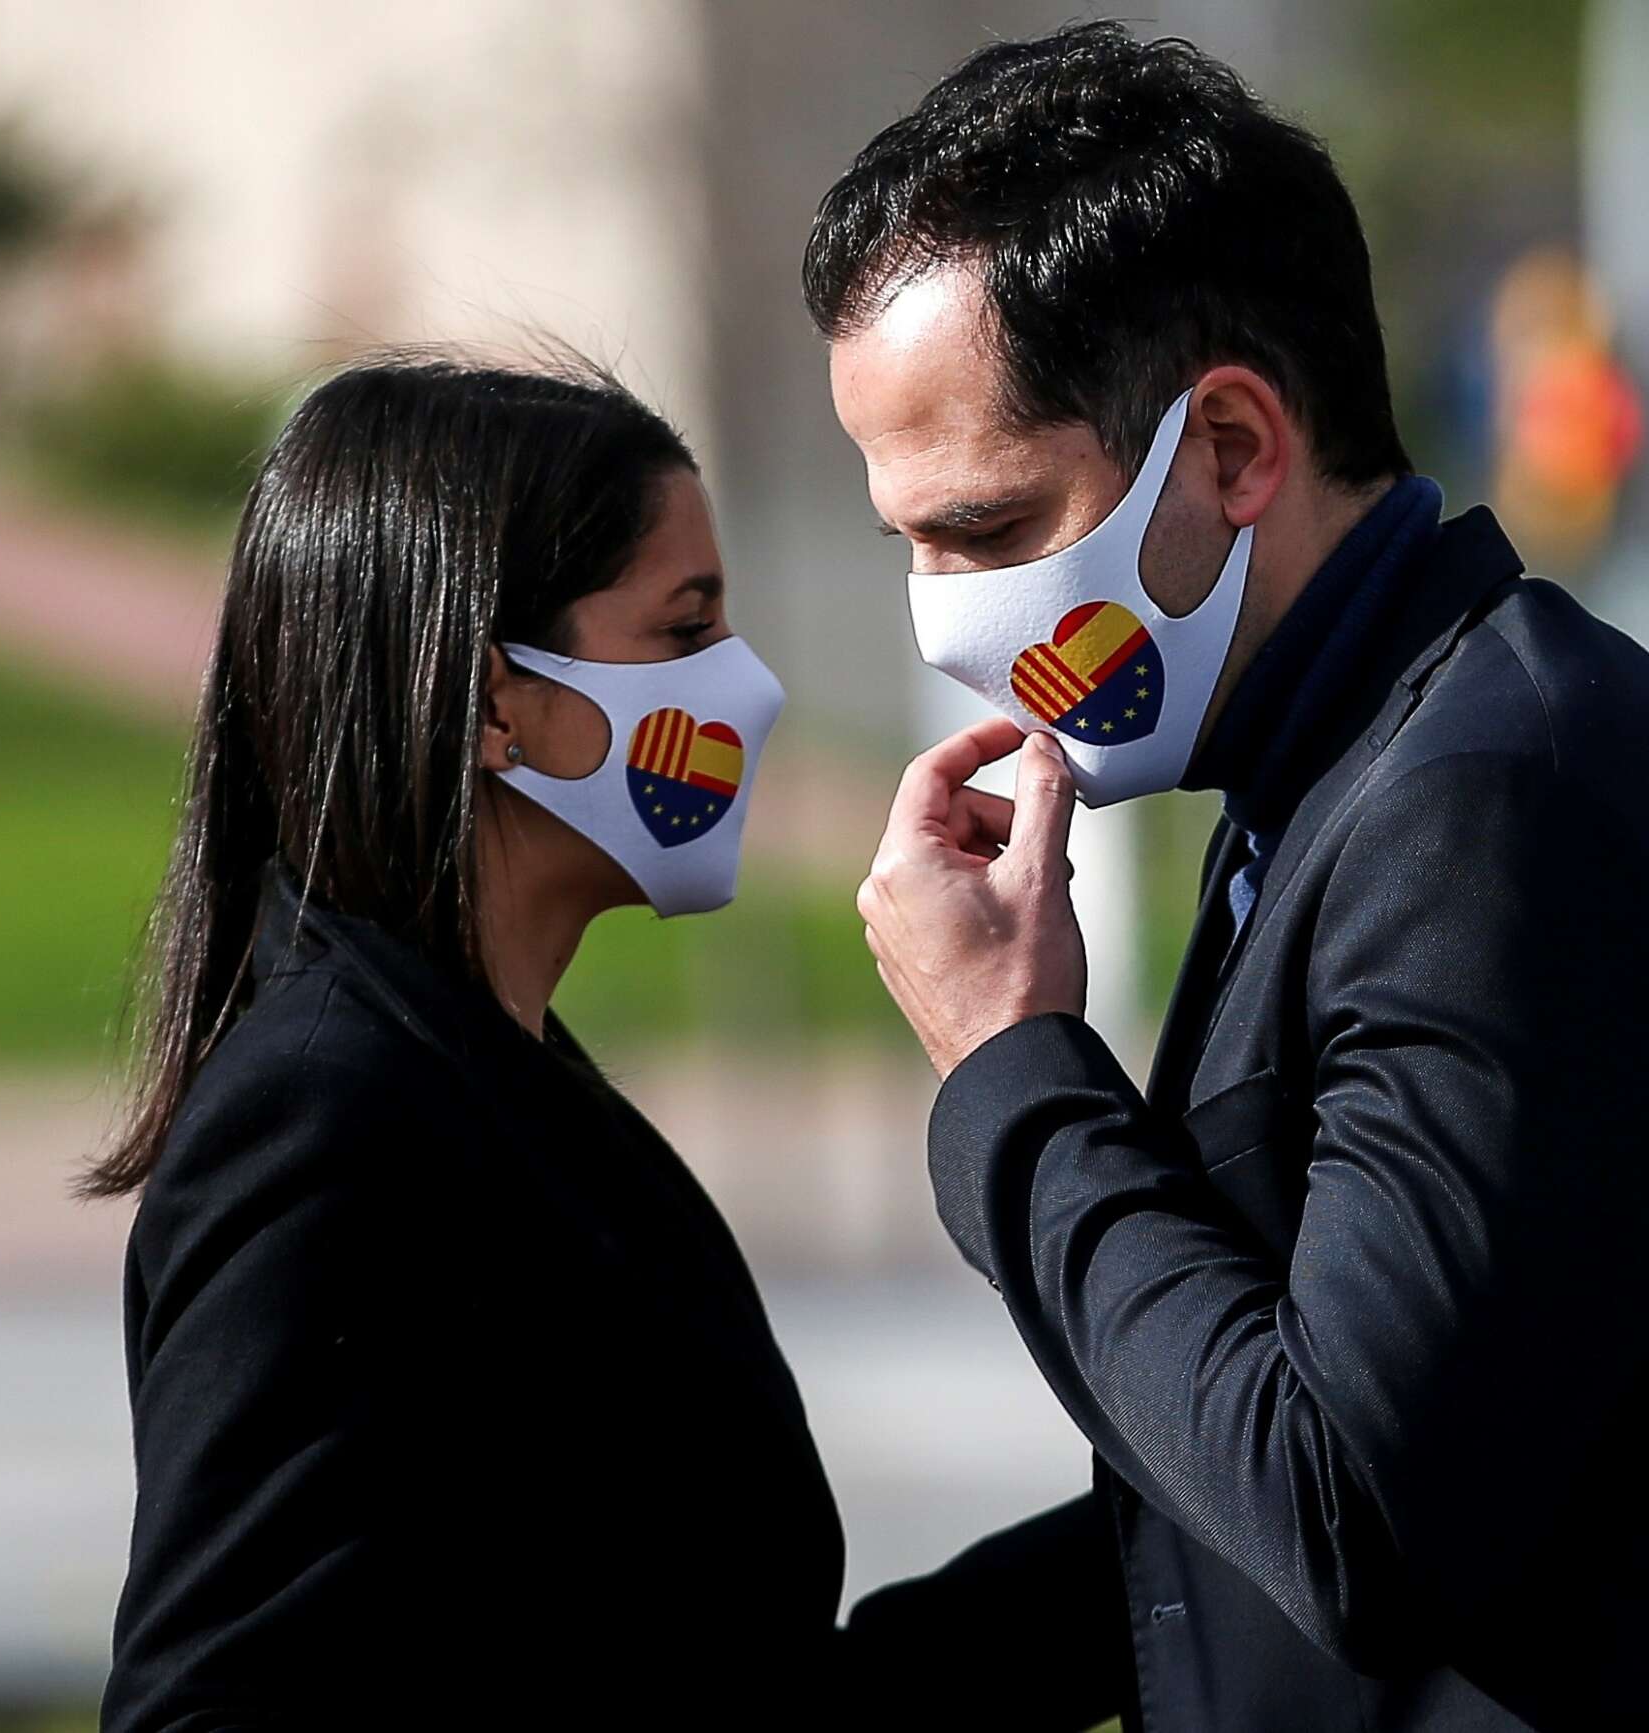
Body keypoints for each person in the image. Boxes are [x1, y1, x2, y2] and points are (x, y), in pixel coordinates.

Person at [815, 25, 1649, 1731]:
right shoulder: (1337, 770)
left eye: (983, 529)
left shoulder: (1494, 805)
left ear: (1232, 450)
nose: (944, 613)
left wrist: (1010, 1069)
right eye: (905, 540)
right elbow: (1256, 1478)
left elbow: (1347, 1515)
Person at [85, 352, 1124, 1729]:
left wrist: (1189, 1539)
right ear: (500, 702)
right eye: (684, 629)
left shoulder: (495, 1073)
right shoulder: (333, 1109)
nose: (744, 687)